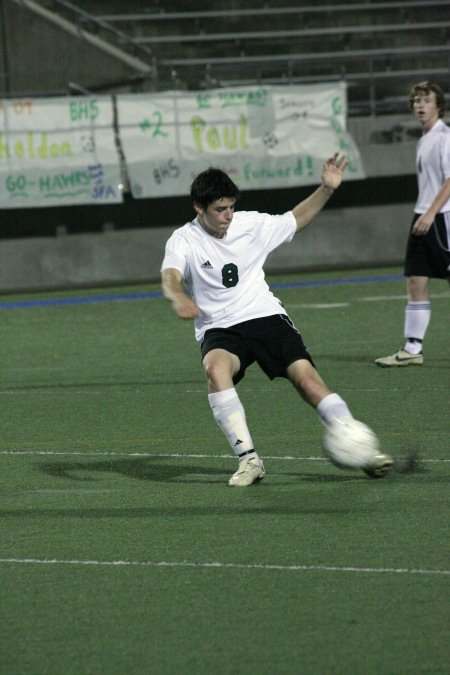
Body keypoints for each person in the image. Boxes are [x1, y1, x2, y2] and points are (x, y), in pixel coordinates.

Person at [161, 157, 393, 486]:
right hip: (219, 327)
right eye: (220, 209)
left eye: (231, 207)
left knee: (308, 382)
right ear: (199, 207)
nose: (228, 215)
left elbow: (295, 219)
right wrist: (177, 297)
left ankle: (362, 449)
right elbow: (170, 276)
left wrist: (326, 189)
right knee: (215, 369)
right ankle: (249, 460)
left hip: (263, 315)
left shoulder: (250, 224)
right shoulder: (183, 239)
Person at [375, 81, 450, 367]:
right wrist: (423, 214)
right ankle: (412, 348)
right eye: (416, 101)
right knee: (416, 281)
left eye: (426, 100)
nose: (420, 105)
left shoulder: (445, 137)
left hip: (441, 218)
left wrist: (431, 213)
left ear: (438, 104)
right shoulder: (424, 139)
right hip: (423, 216)